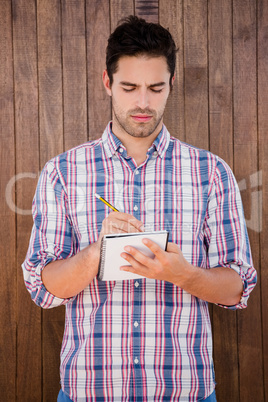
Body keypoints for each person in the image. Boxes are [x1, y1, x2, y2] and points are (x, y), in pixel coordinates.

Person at [22, 15, 257, 402]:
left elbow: (237, 288)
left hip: (185, 392)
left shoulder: (210, 172)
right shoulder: (62, 172)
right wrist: (95, 254)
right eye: (129, 87)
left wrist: (183, 274)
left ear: (171, 86)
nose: (143, 103)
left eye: (155, 88)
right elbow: (44, 290)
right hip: (88, 392)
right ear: (107, 82)